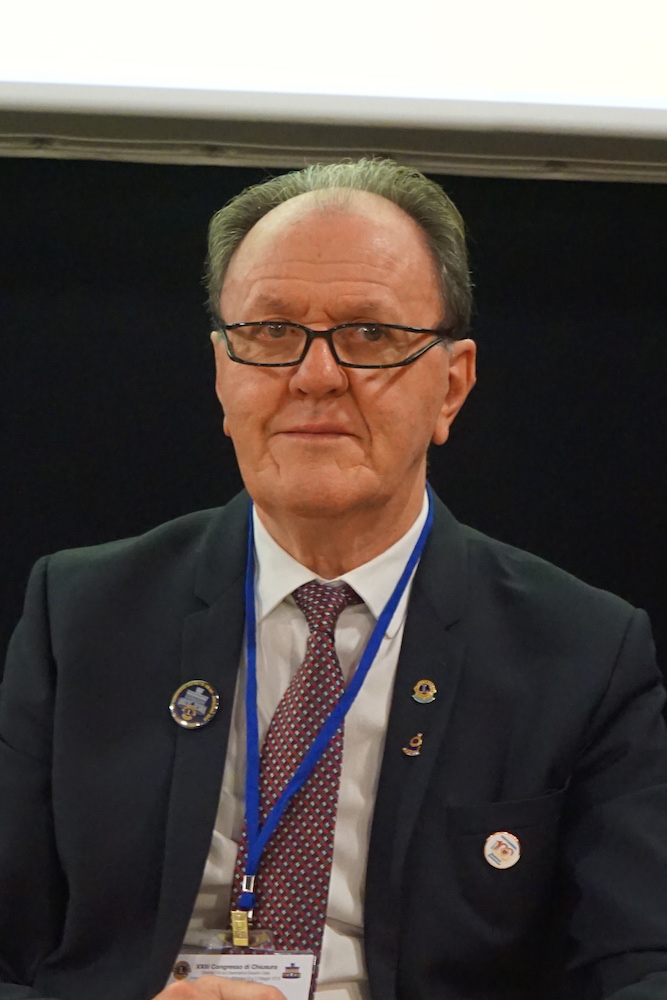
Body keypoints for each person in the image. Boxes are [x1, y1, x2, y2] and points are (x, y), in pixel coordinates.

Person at [1, 158, 667, 1000]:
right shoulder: (82, 615)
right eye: (270, 332)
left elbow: (643, 965)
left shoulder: (582, 653)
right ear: (221, 372)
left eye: (369, 335)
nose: (314, 375)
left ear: (451, 386)